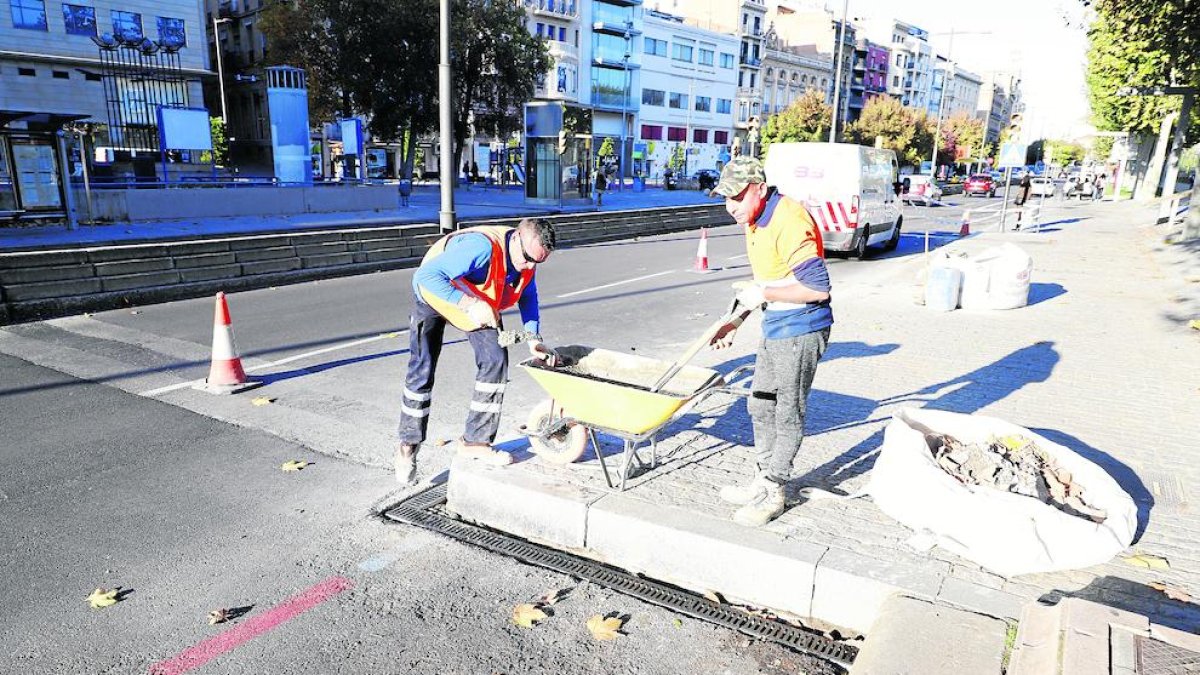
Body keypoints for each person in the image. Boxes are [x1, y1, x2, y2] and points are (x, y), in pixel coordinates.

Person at [707, 157, 833, 527]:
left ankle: (775, 488)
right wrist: (736, 320)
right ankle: (763, 477)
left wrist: (762, 291)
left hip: (802, 329)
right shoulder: (754, 218)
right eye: (725, 198)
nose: (730, 207)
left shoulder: (789, 221)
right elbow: (767, 284)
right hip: (775, 325)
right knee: (759, 405)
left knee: (786, 411)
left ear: (760, 189)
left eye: (737, 197)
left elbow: (816, 288)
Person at [395, 218, 562, 485]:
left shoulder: (527, 258)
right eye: (528, 259)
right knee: (422, 369)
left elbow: (528, 295)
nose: (530, 266)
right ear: (517, 238)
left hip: (475, 299)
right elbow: (425, 276)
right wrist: (468, 303)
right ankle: (407, 446)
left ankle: (475, 442)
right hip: (435, 293)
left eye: (538, 262)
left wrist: (533, 338)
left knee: (495, 359)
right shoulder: (480, 248)